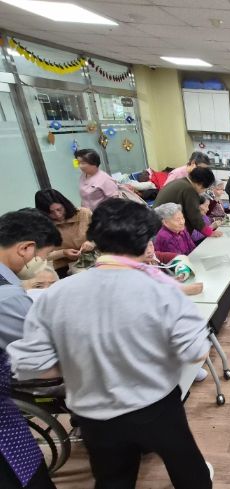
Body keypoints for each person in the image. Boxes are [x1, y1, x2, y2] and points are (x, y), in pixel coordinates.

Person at [8, 199, 213, 489]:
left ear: (95, 239)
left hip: (93, 413)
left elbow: (29, 365)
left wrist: (81, 362)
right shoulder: (162, 291)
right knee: (188, 469)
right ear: (145, 241)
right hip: (156, 406)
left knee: (112, 480)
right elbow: (196, 352)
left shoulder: (56, 293)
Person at [0, 210, 61, 489]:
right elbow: (41, 352)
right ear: (25, 248)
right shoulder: (9, 297)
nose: (43, 265)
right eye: (43, 257)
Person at [34, 189, 95, 278]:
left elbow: (102, 234)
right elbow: (41, 255)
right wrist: (63, 253)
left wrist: (92, 243)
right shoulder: (42, 226)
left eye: (59, 209)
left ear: (65, 205)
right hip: (64, 266)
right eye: (51, 212)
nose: (58, 215)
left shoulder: (84, 213)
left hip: (94, 258)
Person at [153, 167, 223, 239]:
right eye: (205, 188)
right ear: (200, 184)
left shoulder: (182, 182)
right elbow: (195, 217)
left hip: (157, 224)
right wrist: (210, 232)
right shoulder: (189, 189)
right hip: (164, 229)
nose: (204, 191)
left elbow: (195, 200)